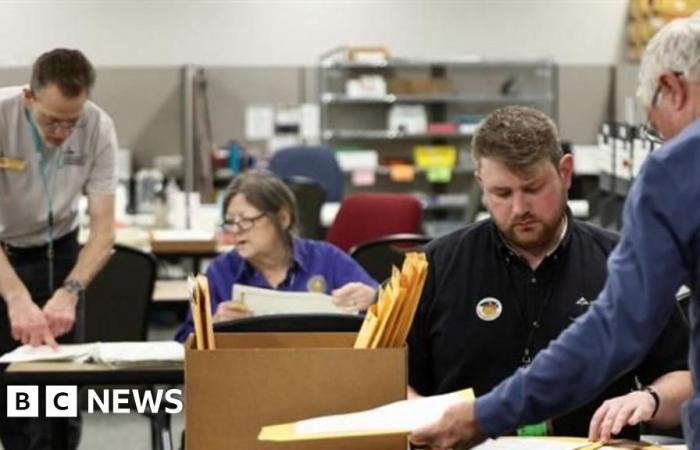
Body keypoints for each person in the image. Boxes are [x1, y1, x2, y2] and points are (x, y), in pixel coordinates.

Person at [410, 14, 700, 450]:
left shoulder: (678, 173)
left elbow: (614, 330)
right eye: (502, 192)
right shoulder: (439, 264)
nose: (519, 207)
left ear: (673, 89)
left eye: (655, 126)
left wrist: (485, 415)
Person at [0, 49, 117, 449]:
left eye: (72, 122)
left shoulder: (98, 126)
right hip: (4, 255)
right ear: (28, 97)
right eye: (52, 121)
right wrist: (15, 297)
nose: (62, 133)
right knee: (13, 390)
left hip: (60, 252)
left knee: (62, 387)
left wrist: (70, 293)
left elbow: (103, 230)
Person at [175, 170, 377, 342]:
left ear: (282, 218)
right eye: (230, 222)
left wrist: (372, 298)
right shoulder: (220, 272)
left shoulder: (326, 259)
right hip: (246, 380)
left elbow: (388, 306)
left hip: (321, 375)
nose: (236, 230)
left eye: (246, 220)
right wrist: (213, 328)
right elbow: (184, 341)